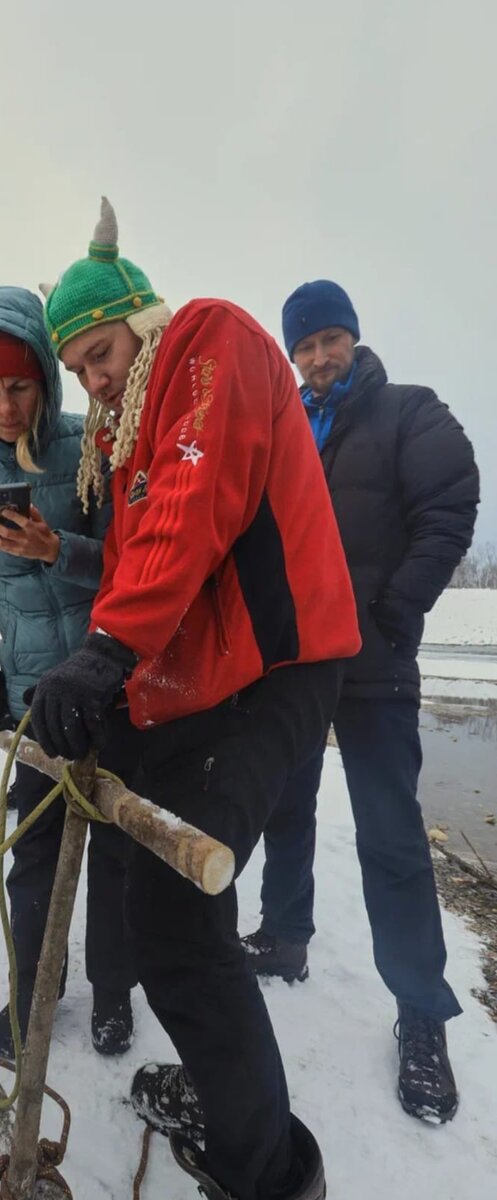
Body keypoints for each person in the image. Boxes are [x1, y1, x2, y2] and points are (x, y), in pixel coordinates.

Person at [29, 199, 361, 1200]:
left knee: (176, 921)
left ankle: (260, 1169)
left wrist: (102, 653)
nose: (93, 376)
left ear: (140, 314)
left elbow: (190, 504)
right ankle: (220, 1085)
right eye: (78, 368)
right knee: (143, 888)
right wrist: (107, 695)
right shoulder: (127, 438)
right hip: (194, 689)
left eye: (99, 350)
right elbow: (145, 563)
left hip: (274, 671)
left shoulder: (207, 341)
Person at [240, 280, 479, 1124]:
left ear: (352, 337)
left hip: (372, 659)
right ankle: (286, 934)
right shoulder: (281, 430)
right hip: (296, 662)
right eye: (302, 347)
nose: (316, 358)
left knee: (390, 836)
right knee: (284, 804)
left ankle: (421, 1013)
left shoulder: (409, 412)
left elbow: (449, 511)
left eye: (328, 339)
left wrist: (392, 608)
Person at [0, 285, 139, 1059]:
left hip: (108, 677)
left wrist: (58, 550)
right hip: (28, 692)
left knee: (117, 849)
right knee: (35, 849)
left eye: (19, 385)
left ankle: (115, 988)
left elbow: (133, 565)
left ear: (45, 380)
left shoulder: (95, 441)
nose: (4, 406)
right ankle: (34, 987)